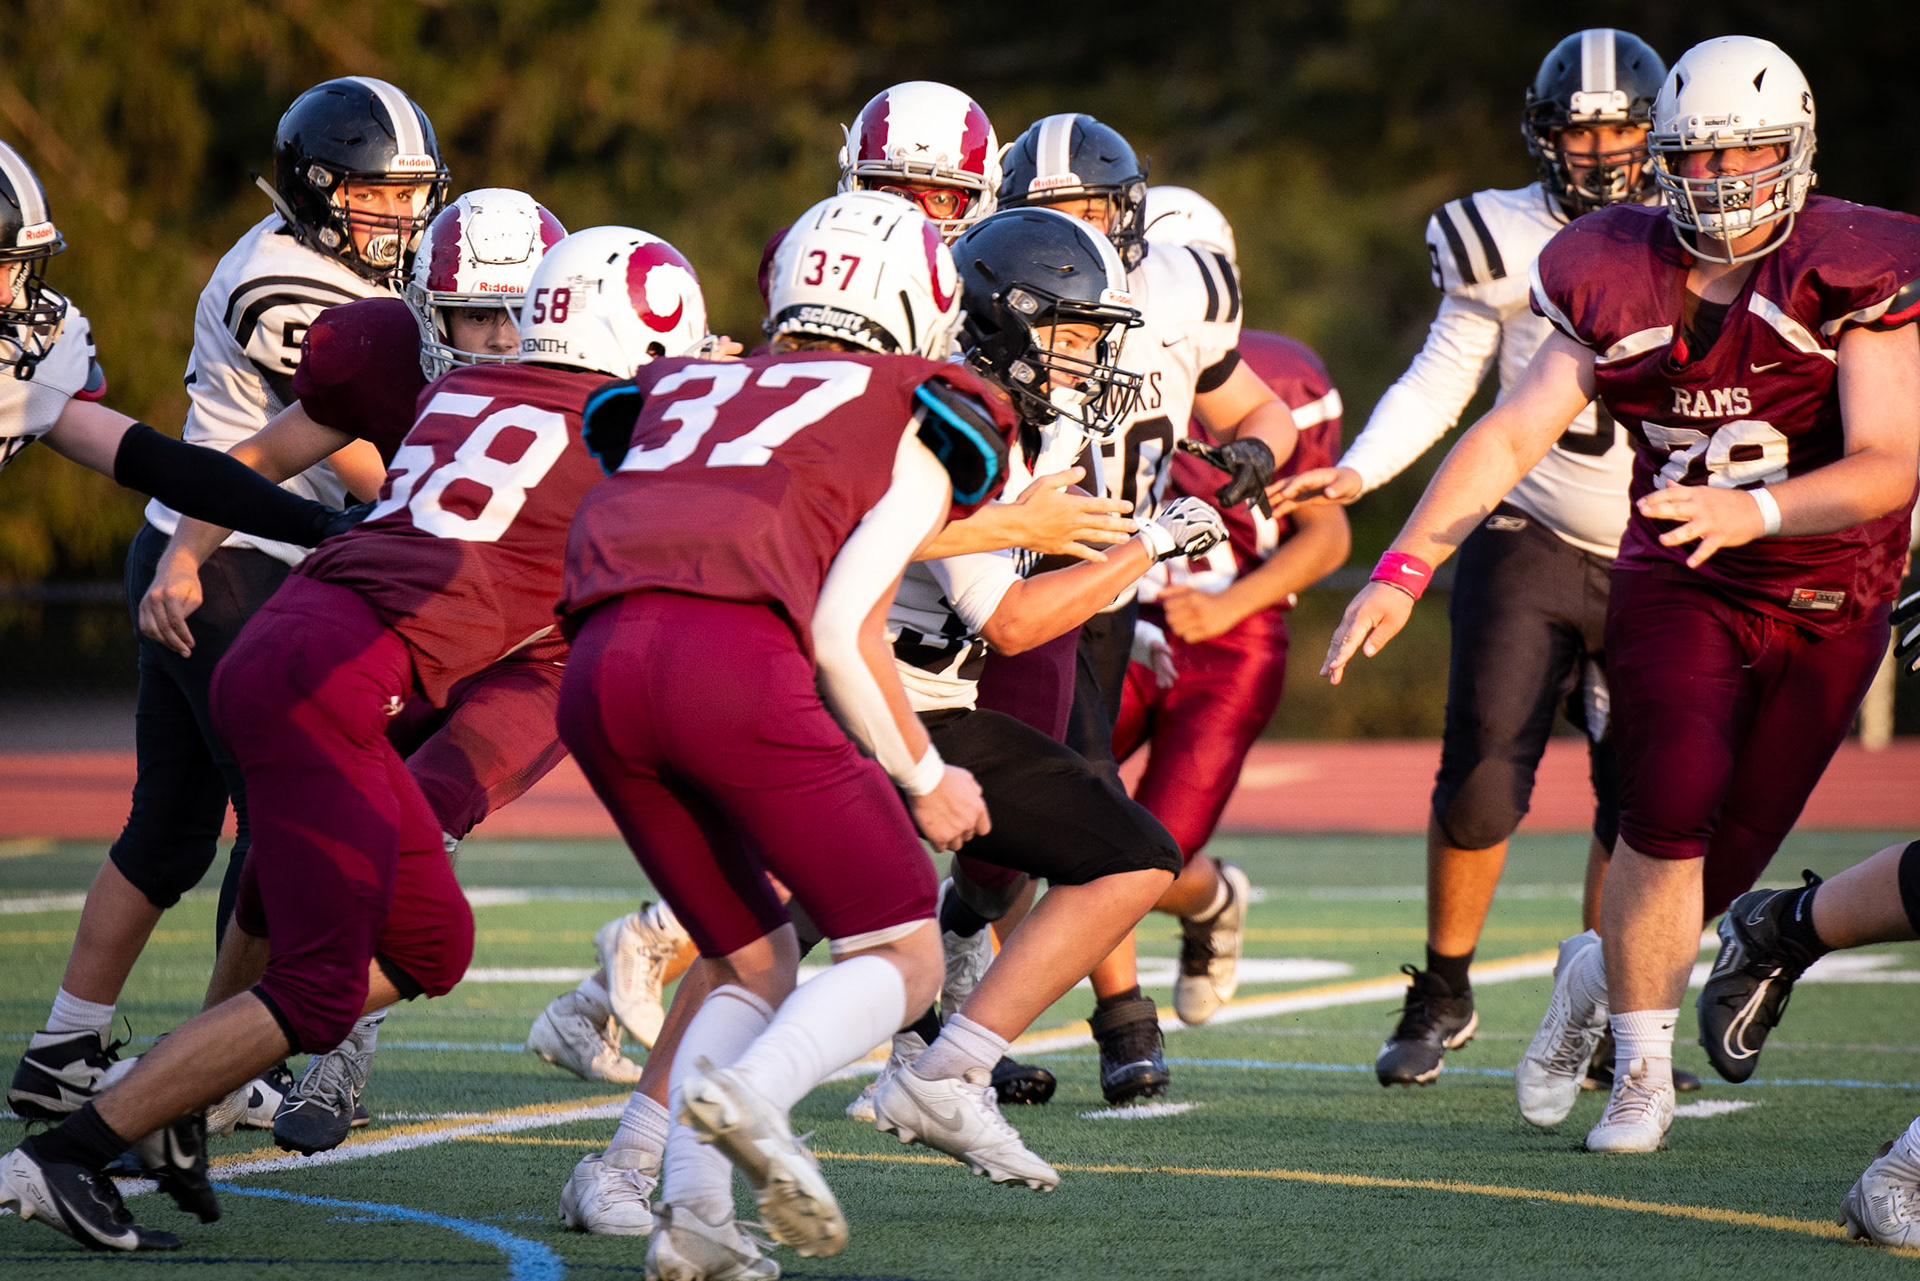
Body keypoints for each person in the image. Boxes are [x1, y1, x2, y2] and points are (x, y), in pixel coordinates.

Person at [0, 225, 710, 1252]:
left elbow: (320, 490)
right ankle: (78, 1148)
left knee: (429, 944)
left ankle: (163, 1100)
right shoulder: (615, 442)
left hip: (302, 653)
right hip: (323, 688)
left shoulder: (466, 393)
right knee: (321, 980)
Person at [1321, 36, 1920, 1156]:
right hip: (1680, 575)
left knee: (1725, 862)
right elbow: (1508, 430)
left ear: (1795, 153)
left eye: (1747, 152)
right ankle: (1641, 1073)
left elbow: (1890, 460)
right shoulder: (1608, 263)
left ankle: (1590, 979)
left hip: (1833, 585)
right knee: (1667, 809)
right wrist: (1404, 565)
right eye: (1698, 157)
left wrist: (1762, 513)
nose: (1722, 178)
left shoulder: (1855, 262)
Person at [554, 190, 1016, 1273]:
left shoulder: (684, 381)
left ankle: (696, 1224)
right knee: (903, 949)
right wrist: (925, 772)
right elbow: (840, 629)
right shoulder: (914, 397)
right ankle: (757, 1095)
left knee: (747, 956)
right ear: (923, 297)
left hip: (599, 671)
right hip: (731, 667)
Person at [5, 79, 450, 1138]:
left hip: (193, 544)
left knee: (167, 829)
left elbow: (111, 435)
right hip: (233, 562)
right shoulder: (280, 281)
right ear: (315, 189)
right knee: (284, 818)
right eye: (375, 196)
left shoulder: (330, 266)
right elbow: (351, 450)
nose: (399, 218)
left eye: (411, 196)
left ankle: (67, 1046)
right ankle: (209, 1061)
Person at [128, 189, 587, 1155]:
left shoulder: (610, 371)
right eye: (474, 315)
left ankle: (333, 1038)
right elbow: (254, 454)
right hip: (401, 630)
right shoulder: (384, 357)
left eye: (519, 312)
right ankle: (217, 1059)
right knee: (288, 845)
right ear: (427, 311)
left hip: (529, 652)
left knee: (419, 824)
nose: (501, 339)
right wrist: (182, 550)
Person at [1276, 29, 1672, 1090]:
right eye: (1579, 130)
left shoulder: (1703, 229)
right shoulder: (1495, 235)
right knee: (1484, 777)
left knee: (1641, 798)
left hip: (1665, 543)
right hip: (1528, 527)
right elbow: (1443, 379)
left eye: (1621, 128)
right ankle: (1444, 988)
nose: (1598, 150)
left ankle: (1598, 1001)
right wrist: (1359, 475)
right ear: (1543, 136)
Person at [955, 115, 1299, 1104]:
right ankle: (988, 987)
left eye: (1095, 209)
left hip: (1104, 580)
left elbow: (1254, 408)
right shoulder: (988, 291)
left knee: (1093, 808)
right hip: (1003, 562)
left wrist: (1253, 458)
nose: (1081, 232)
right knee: (1011, 823)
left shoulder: (1183, 287)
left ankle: (1114, 1019)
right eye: (1055, 214)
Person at [842, 206, 1209, 1131]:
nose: (1089, 357)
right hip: (855, 704)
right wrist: (1153, 545)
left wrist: (1119, 544)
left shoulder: (1037, 421)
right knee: (767, 940)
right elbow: (1008, 621)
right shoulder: (957, 417)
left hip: (934, 703)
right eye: (1072, 332)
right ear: (1004, 319)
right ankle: (644, 1132)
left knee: (1134, 854)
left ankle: (949, 1067)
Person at [1116, 319, 1351, 1026]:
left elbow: (1329, 531)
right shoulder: (1088, 350)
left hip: (1229, 638)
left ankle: (1211, 896)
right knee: (1041, 822)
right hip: (1108, 618)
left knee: (1142, 864)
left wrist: (1229, 607)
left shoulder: (1271, 377)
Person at [0, 136, 371, 534]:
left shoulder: (21, 353)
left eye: (10, 268)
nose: (6, 294)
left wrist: (318, 524)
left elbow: (153, 462)